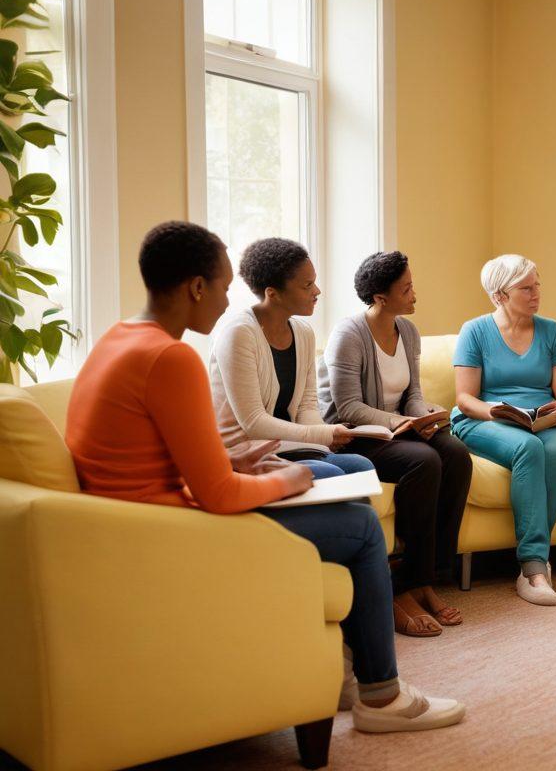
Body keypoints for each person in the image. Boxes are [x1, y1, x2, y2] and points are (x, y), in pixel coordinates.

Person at [65, 221, 463, 732]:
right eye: (226, 286)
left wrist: (260, 464)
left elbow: (186, 462)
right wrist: (290, 479)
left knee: (347, 493)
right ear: (196, 287)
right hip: (164, 530)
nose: (230, 299)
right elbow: (220, 493)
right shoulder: (171, 356)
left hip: (137, 519)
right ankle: (381, 698)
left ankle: (346, 673)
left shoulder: (119, 339)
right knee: (361, 528)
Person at [318, 251, 473, 637]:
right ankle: (409, 582)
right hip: (356, 435)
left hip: (399, 429)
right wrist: (402, 422)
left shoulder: (407, 331)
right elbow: (348, 406)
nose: (414, 293)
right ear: (380, 298)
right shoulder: (349, 335)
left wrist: (423, 416)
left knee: (455, 453)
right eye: (406, 288)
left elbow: (414, 393)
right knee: (425, 461)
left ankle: (431, 576)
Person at [452, 254, 556, 606]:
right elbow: (465, 398)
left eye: (537, 284)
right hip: (484, 419)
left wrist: (553, 414)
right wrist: (495, 411)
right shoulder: (475, 331)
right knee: (529, 448)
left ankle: (536, 559)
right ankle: (533, 567)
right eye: (526, 287)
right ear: (499, 296)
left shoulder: (552, 331)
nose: (536, 292)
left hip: (542, 418)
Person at [209, 238, 374, 481]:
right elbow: (253, 422)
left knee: (361, 466)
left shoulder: (304, 333)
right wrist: (322, 435)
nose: (317, 291)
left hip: (289, 446)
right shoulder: (239, 334)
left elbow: (307, 405)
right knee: (331, 473)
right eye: (307, 285)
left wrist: (325, 437)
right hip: (248, 452)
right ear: (272, 294)